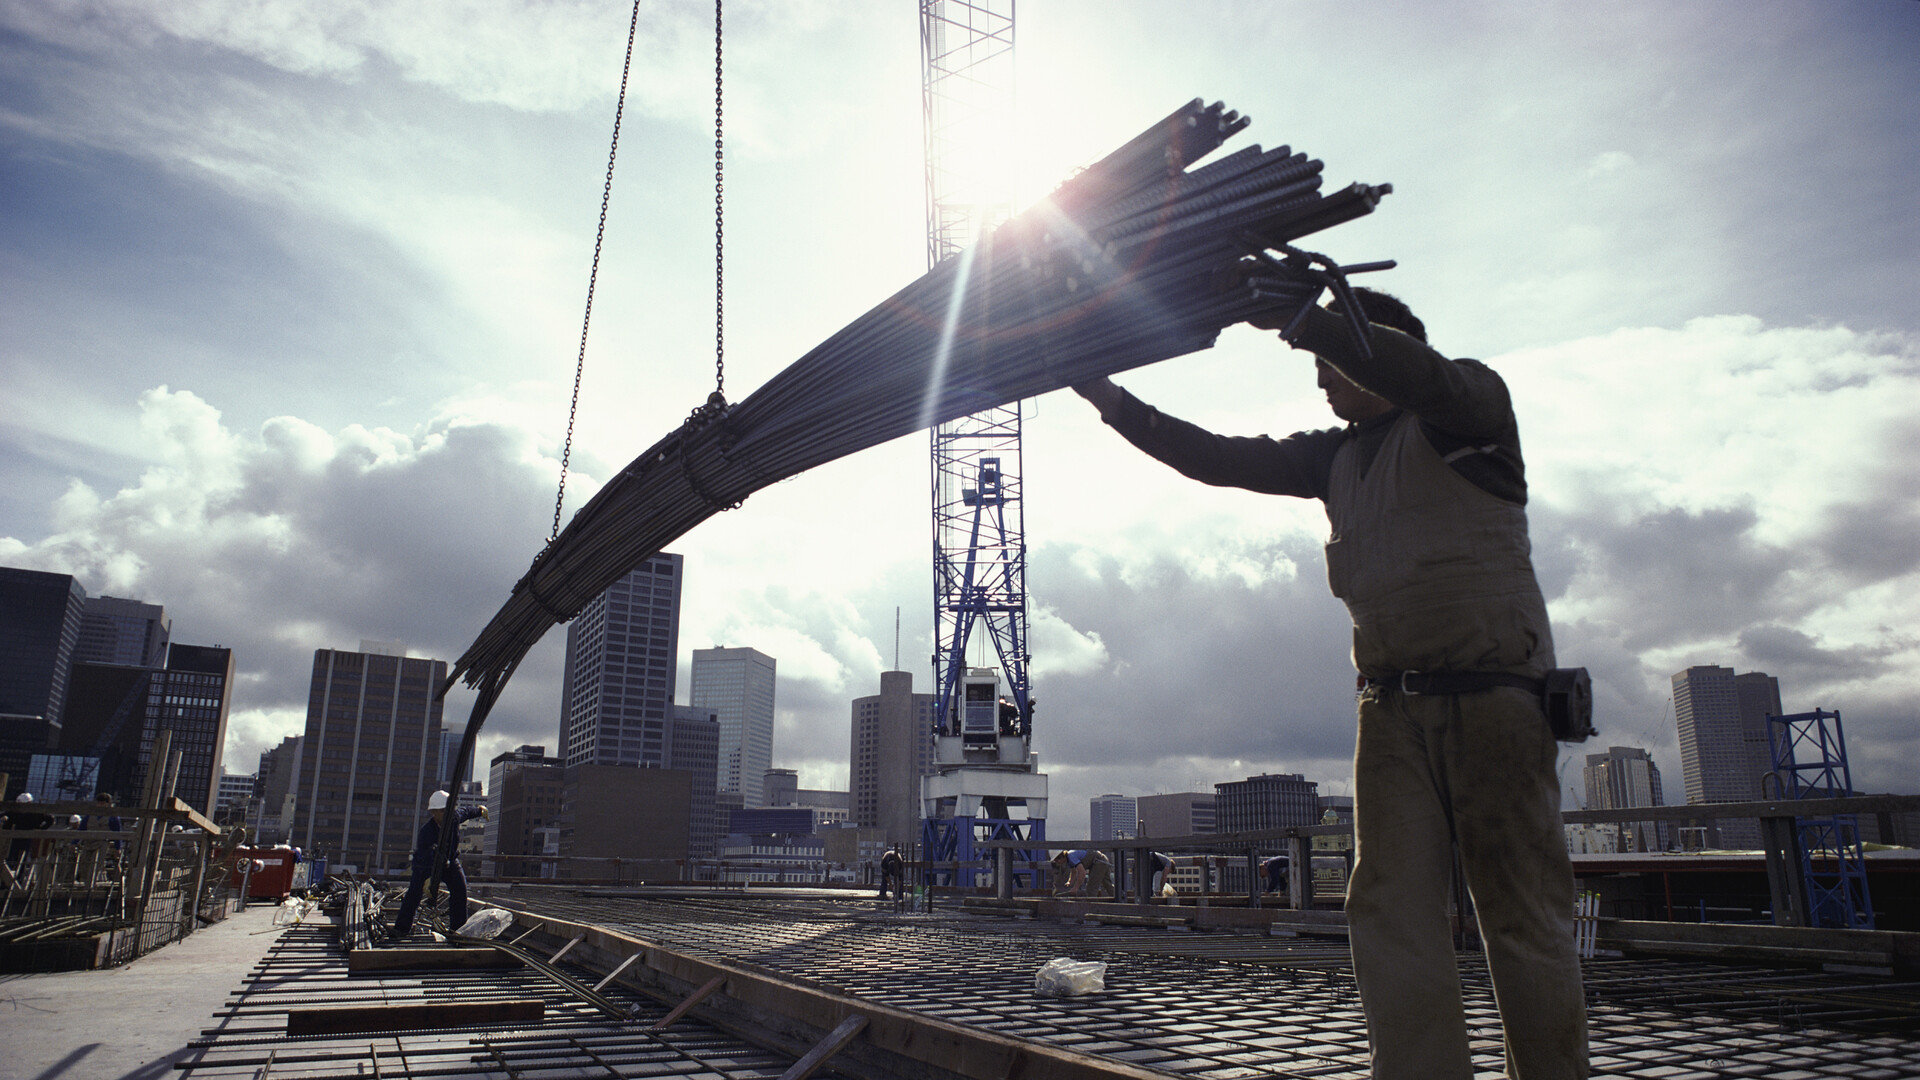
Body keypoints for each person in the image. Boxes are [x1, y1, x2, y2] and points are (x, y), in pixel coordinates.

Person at [1074, 287, 1586, 1080]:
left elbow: (1429, 380)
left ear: (1379, 346)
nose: (1320, 381)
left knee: (1519, 915)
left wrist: (1302, 315)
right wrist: (1107, 396)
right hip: (1389, 710)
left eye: (1330, 362)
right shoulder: (1336, 456)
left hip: (1494, 696)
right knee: (1387, 908)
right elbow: (1217, 457)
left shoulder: (1469, 415)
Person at [388, 789, 487, 942]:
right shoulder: (426, 832)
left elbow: (466, 812)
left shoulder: (453, 818)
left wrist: (479, 811)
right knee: (414, 893)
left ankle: (458, 929)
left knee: (460, 889)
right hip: (426, 865)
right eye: (439, 811)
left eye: (445, 811)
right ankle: (401, 928)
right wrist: (429, 878)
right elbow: (425, 857)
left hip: (449, 862)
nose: (442, 814)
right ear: (434, 812)